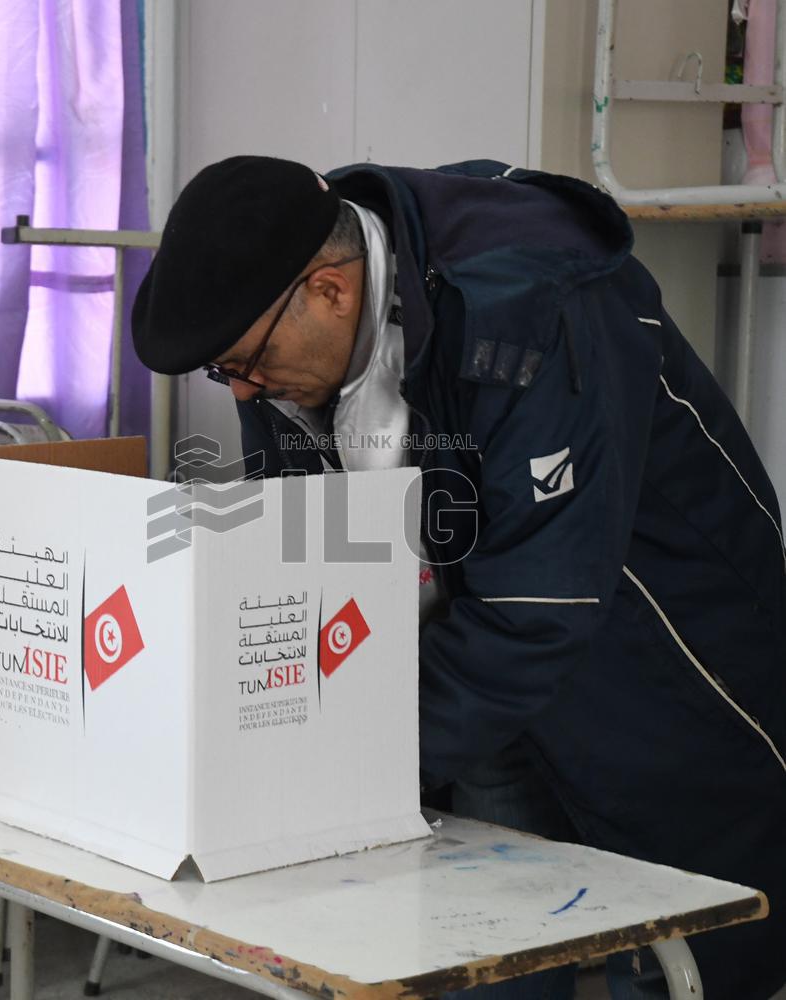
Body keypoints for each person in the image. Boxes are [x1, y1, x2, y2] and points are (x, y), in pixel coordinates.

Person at [131, 155, 786, 999]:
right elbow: (305, 559)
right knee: (477, 944)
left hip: (661, 660)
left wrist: (350, 766)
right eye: (226, 373)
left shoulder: (530, 307)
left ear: (330, 291)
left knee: (671, 947)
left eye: (246, 364)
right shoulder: (285, 307)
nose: (246, 389)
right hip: (472, 673)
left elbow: (538, 608)